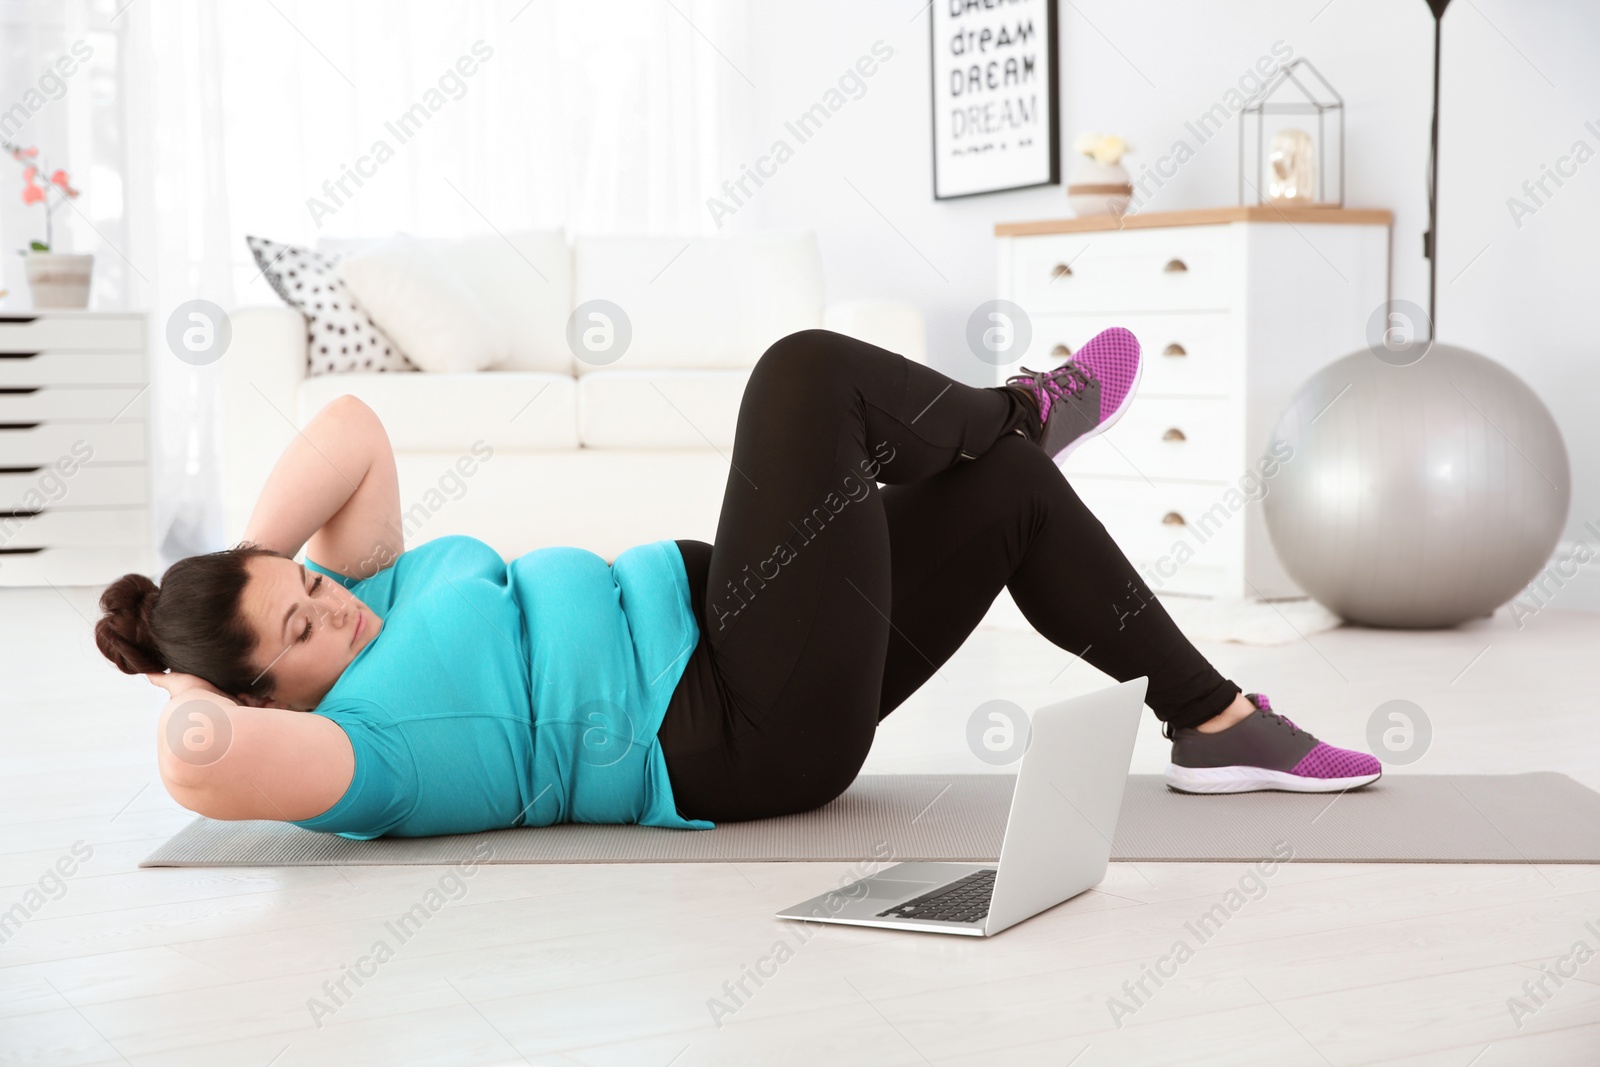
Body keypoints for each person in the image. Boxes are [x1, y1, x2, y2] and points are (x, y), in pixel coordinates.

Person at [94, 327, 1380, 839]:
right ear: (268, 695)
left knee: (999, 496)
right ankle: (1015, 409)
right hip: (734, 728)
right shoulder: (355, 753)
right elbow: (198, 761)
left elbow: (354, 427)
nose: (334, 607)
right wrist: (191, 676)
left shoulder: (354, 583)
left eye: (305, 586)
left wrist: (246, 573)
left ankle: (1213, 721)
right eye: (302, 630)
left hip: (753, 638)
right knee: (801, 375)